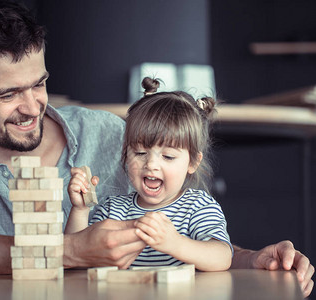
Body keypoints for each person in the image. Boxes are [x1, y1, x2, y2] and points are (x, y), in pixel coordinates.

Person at [0, 0, 314, 297]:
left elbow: (190, 236)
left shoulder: (110, 134)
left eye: (38, 84)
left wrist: (253, 259)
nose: (31, 107)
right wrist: (68, 251)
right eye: (7, 94)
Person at [66, 77, 232, 271]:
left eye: (168, 156)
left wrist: (175, 243)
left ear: (193, 162)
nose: (151, 164)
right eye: (140, 153)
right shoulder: (113, 210)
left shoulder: (197, 207)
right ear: (126, 154)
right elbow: (79, 259)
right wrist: (80, 210)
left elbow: (222, 257)